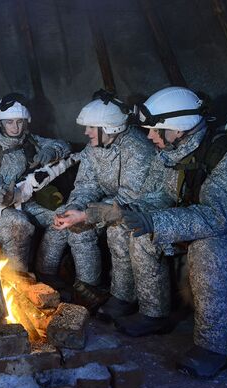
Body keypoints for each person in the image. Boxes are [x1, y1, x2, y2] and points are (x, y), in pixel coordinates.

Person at [88, 86, 227, 378]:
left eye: (156, 130)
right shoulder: (170, 150)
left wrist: (155, 222)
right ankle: (153, 313)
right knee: (137, 229)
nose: (149, 137)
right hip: (201, 210)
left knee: (209, 248)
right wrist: (125, 212)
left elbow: (216, 217)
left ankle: (214, 348)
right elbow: (158, 195)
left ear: (179, 130)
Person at [35, 90, 154, 312]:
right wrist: (74, 208)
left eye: (91, 127)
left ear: (110, 128)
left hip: (134, 208)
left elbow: (130, 198)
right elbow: (86, 185)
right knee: (68, 220)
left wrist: (87, 215)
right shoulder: (94, 147)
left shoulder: (138, 149)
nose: (86, 132)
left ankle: (100, 293)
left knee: (91, 228)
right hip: (108, 203)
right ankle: (64, 286)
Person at [0, 93, 71, 272]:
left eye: (19, 122)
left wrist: (51, 152)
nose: (15, 127)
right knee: (19, 224)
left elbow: (64, 145)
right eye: (10, 122)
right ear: (0, 122)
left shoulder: (30, 140)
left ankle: (46, 272)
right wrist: (2, 194)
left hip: (28, 202)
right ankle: (17, 277)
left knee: (64, 219)